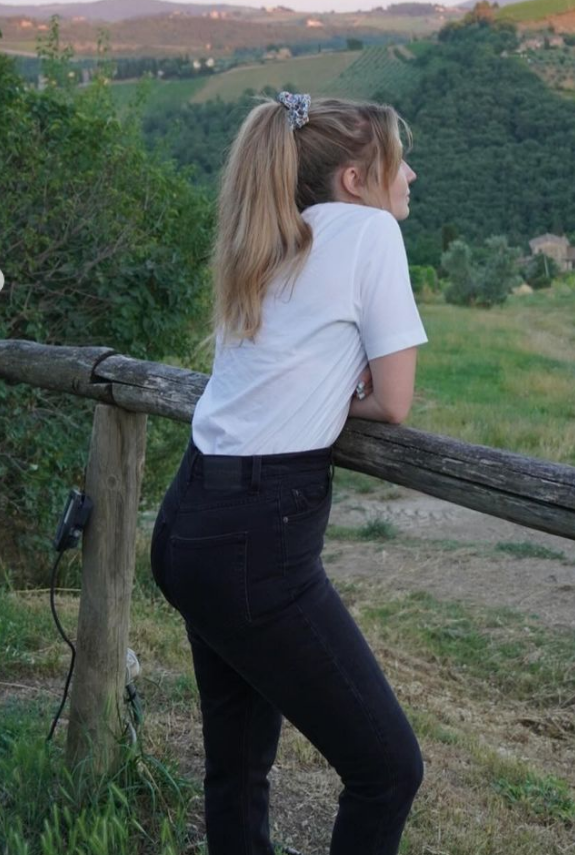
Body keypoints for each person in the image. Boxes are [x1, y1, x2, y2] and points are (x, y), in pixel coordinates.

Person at [150, 90, 428, 855]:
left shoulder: (274, 229)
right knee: (387, 769)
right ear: (354, 179)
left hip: (189, 522)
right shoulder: (370, 233)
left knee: (237, 769)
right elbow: (395, 400)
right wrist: (349, 387)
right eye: (397, 164)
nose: (410, 178)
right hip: (256, 541)